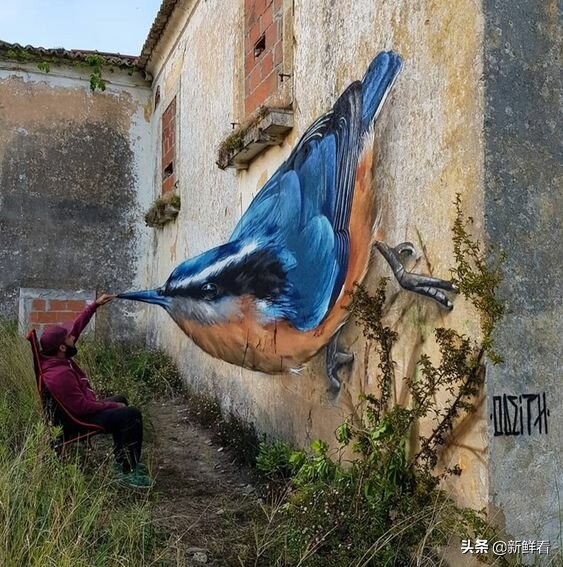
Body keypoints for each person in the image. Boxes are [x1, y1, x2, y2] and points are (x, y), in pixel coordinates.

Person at [39, 294, 152, 488]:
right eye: (68, 337)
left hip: (79, 411)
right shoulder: (59, 375)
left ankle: (121, 460)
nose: (72, 336)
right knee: (130, 414)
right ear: (61, 346)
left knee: (122, 401)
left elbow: (75, 327)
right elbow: (81, 408)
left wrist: (94, 305)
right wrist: (108, 405)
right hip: (77, 421)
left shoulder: (56, 357)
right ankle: (127, 472)